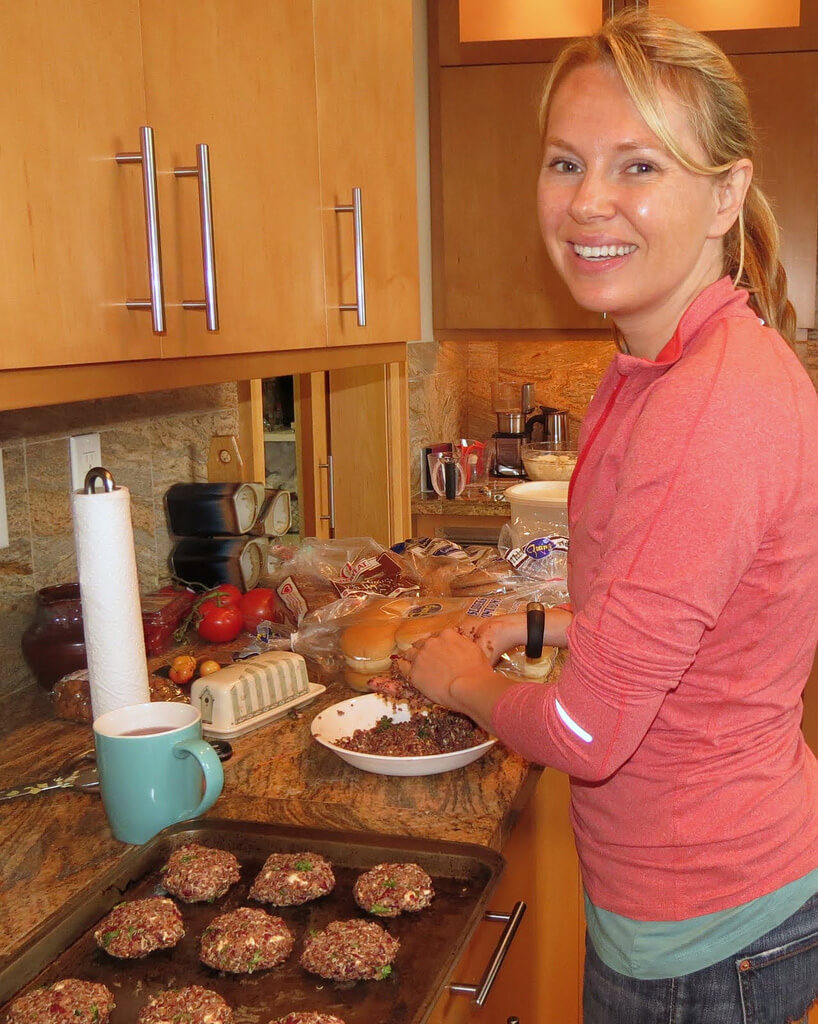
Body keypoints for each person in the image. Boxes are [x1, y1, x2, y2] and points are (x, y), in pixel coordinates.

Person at [403, 9, 818, 1023]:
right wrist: (535, 626)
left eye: (637, 166)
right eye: (564, 162)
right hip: (710, 902)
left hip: (703, 932)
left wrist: (466, 684)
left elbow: (586, 729)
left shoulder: (706, 404)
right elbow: (688, 628)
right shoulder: (662, 365)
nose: (587, 201)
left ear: (724, 193)